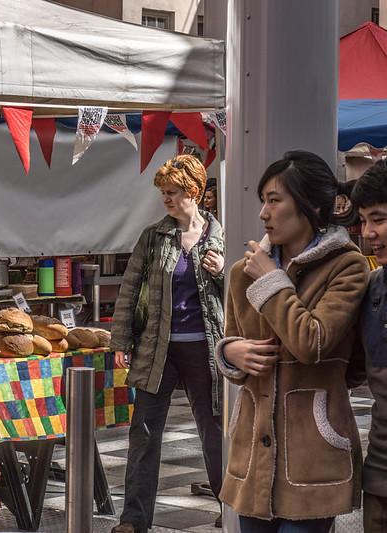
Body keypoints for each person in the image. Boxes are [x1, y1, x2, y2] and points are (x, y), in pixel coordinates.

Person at [215, 150, 368, 533]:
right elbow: (233, 341)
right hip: (251, 454)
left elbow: (310, 343)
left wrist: (271, 282)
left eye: (274, 200)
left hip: (313, 453)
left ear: (312, 206)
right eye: (262, 201)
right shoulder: (242, 272)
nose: (263, 213)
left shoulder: (347, 266)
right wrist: (230, 353)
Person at [109, 154, 225, 533]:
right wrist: (121, 339)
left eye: (172, 192)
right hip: (157, 348)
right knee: (143, 434)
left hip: (206, 349)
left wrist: (224, 271)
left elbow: (242, 291)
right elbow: (129, 289)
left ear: (194, 192)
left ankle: (232, 509)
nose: (166, 200)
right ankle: (133, 520)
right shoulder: (153, 236)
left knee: (215, 432)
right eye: (163, 193)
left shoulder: (221, 235)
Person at [350, 160, 387, 533]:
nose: (369, 233)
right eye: (363, 221)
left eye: (379, 219)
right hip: (379, 473)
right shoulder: (372, 288)